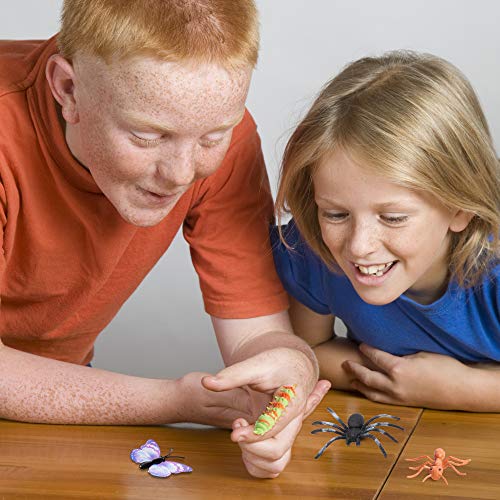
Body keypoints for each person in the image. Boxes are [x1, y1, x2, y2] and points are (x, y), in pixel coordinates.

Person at [0, 0, 330, 478]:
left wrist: (290, 370)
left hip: (53, 400)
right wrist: (176, 400)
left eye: (212, 137)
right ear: (68, 89)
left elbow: (260, 334)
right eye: (146, 136)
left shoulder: (229, 140)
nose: (180, 175)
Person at [272, 51, 499, 412]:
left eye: (393, 218)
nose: (359, 247)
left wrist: (464, 388)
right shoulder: (312, 250)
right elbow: (307, 351)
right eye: (335, 213)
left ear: (461, 208)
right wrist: (403, 380)